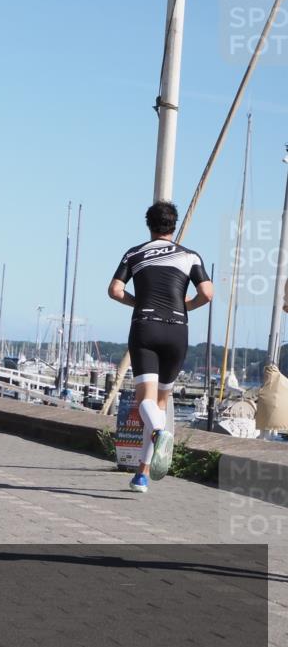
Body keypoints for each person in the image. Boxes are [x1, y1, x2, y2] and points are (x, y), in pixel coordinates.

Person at [109, 201, 213, 493]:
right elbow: (207, 292)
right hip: (177, 330)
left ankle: (158, 432)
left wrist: (136, 301)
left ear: (149, 225)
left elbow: (114, 290)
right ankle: (141, 475)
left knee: (146, 403)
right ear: (174, 225)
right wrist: (186, 307)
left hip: (146, 327)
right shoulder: (190, 256)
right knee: (160, 405)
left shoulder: (135, 253)